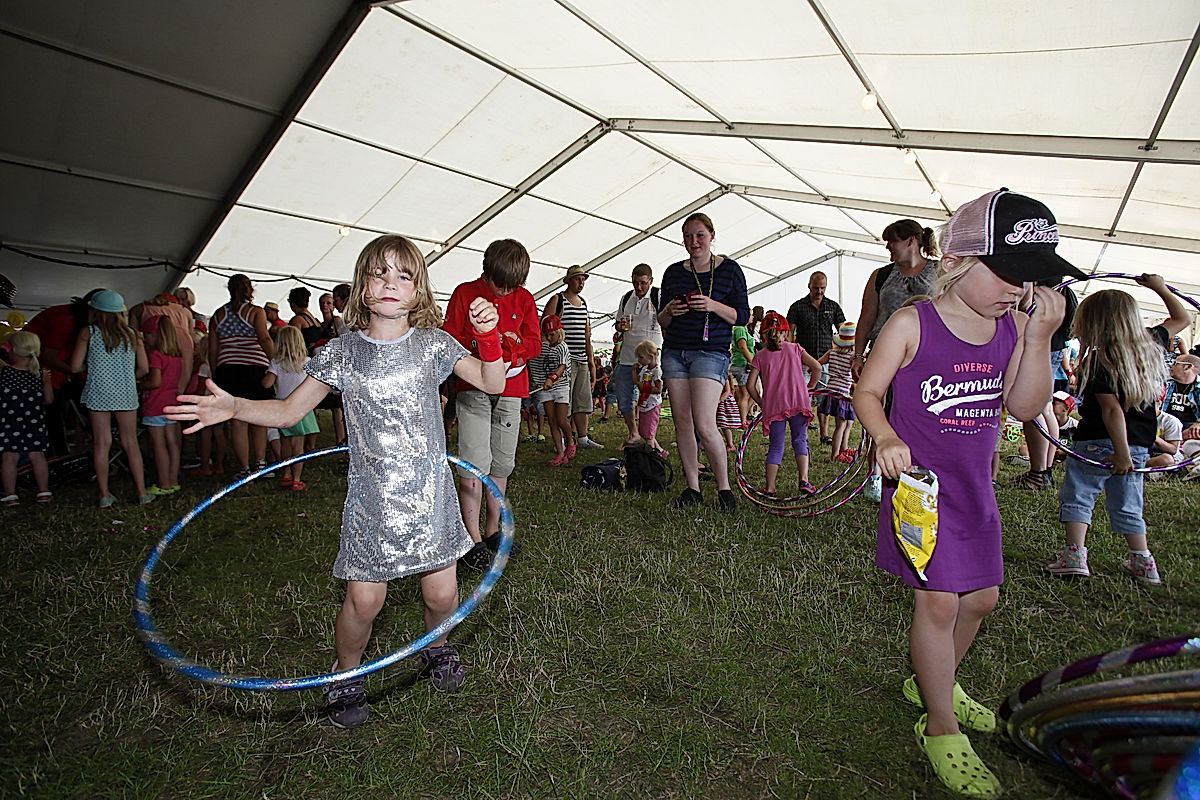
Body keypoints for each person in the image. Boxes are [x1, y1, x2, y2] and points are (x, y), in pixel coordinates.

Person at [166, 234, 504, 729]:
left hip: (430, 497)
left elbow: (493, 382)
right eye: (379, 273)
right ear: (361, 286)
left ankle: (438, 648)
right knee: (365, 600)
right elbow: (286, 411)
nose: (391, 283)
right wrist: (235, 406)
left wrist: (490, 337)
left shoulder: (433, 345)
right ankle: (346, 674)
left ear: (419, 290)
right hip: (374, 501)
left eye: (404, 275)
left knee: (442, 597)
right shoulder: (340, 354)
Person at [854, 188, 1075, 798]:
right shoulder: (911, 322)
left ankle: (935, 679)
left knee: (982, 600)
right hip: (921, 493)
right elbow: (866, 392)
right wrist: (885, 436)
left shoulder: (1011, 330)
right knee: (941, 605)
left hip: (976, 490)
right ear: (956, 261)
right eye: (1009, 274)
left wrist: (1036, 342)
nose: (1020, 291)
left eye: (1034, 280)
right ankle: (941, 723)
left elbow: (1026, 407)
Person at [1048, 275, 1190, 585]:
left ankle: (1075, 555)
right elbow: (1183, 318)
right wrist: (1160, 288)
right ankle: (1142, 561)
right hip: (1138, 445)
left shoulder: (1100, 359)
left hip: (1099, 443)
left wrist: (1120, 454)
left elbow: (1112, 410)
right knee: (1128, 500)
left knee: (1079, 494)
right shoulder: (1151, 344)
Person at [445, 239, 541, 569]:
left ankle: (492, 532)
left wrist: (515, 351)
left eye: (511, 286)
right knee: (473, 462)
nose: (503, 292)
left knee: (502, 463)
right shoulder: (464, 294)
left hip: (512, 386)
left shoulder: (525, 299)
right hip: (473, 386)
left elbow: (534, 342)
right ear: (486, 270)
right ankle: (470, 540)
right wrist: (479, 345)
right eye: (498, 283)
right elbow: (450, 341)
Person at [657, 212, 750, 513]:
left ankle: (724, 488)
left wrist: (711, 305)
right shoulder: (673, 273)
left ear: (712, 235)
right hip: (675, 351)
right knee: (682, 421)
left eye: (699, 235)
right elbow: (661, 320)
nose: (693, 241)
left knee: (705, 422)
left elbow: (742, 317)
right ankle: (692, 487)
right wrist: (670, 310)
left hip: (711, 353)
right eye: (687, 236)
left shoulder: (730, 270)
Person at [70, 290, 153, 507]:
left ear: (94, 310)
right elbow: (144, 369)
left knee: (101, 443)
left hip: (98, 392)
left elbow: (75, 366)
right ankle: (142, 492)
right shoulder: (133, 335)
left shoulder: (88, 332)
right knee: (130, 442)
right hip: (125, 392)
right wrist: (126, 377)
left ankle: (105, 494)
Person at [852, 220, 940, 380]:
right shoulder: (880, 276)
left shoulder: (940, 272)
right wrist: (858, 356)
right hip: (883, 354)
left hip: (928, 355)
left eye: (893, 241)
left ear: (911, 241)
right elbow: (866, 318)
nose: (888, 246)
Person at [748, 313, 822, 496]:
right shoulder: (795, 348)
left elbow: (750, 385)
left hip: (774, 406)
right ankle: (804, 480)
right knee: (800, 440)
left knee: (776, 445)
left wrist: (761, 402)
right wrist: (809, 388)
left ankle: (770, 487)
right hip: (798, 401)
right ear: (786, 333)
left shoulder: (760, 355)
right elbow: (817, 368)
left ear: (762, 336)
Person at [209, 274, 275, 478]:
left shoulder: (218, 315)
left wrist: (215, 373)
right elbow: (263, 338)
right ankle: (261, 464)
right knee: (259, 417)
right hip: (253, 369)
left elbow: (213, 349)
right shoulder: (255, 312)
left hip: (227, 370)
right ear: (250, 289)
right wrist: (276, 361)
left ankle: (244, 468)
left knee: (237, 420)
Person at [544, 265, 600, 451]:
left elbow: (586, 334)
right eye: (578, 279)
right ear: (568, 280)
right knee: (563, 403)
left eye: (583, 279)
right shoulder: (558, 299)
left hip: (582, 360)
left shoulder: (583, 303)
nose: (581, 282)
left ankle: (582, 438)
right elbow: (544, 326)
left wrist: (590, 360)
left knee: (582, 401)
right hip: (564, 361)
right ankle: (561, 441)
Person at [788, 272, 846, 443]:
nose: (819, 291)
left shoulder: (833, 306)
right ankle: (801, 433)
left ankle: (824, 434)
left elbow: (843, 330)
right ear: (809, 286)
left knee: (824, 398)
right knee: (802, 396)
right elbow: (790, 333)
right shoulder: (797, 307)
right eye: (816, 288)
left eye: (822, 288)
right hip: (804, 359)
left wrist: (843, 352)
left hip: (826, 360)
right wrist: (791, 355)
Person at [263, 325, 319, 491]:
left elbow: (267, 384)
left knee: (285, 442)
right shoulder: (307, 362)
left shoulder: (276, 362)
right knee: (298, 445)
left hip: (282, 406)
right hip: (301, 405)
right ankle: (296, 478)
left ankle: (286, 474)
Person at [0, 331, 53, 505]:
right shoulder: (41, 375)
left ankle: (10, 494)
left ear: (12, 350)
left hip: (9, 423)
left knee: (9, 458)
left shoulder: (5, 373)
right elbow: (49, 400)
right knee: (38, 457)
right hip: (34, 423)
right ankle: (44, 491)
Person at [612, 263, 662, 447]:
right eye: (635, 283)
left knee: (650, 396)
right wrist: (620, 326)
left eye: (643, 283)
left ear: (651, 281)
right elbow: (618, 324)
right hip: (627, 356)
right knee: (623, 396)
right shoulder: (626, 298)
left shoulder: (658, 295)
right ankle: (633, 433)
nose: (639, 287)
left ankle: (650, 437)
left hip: (650, 359)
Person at [138, 315, 185, 496]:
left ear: (155, 335)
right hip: (172, 403)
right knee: (172, 443)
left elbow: (155, 382)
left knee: (158, 445)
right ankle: (173, 480)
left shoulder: (155, 355)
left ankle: (163, 483)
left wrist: (140, 384)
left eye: (147, 335)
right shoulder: (176, 356)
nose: (145, 339)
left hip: (155, 405)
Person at [528, 315, 571, 465]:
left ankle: (570, 441)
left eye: (552, 334)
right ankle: (560, 452)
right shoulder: (543, 348)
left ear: (560, 332)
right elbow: (534, 360)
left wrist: (551, 379)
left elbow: (562, 366)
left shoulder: (562, 347)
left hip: (560, 387)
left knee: (561, 420)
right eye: (547, 335)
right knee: (552, 421)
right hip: (545, 388)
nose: (549, 337)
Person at [818, 321, 857, 463]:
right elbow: (856, 374)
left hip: (832, 392)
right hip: (842, 395)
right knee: (841, 425)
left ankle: (844, 448)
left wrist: (814, 370)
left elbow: (817, 364)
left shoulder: (831, 353)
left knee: (848, 422)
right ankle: (835, 455)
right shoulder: (852, 357)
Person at [1162, 354, 1200, 479]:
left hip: (1190, 429)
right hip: (1166, 427)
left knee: (1192, 441)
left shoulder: (1198, 386)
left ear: (1188, 367)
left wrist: (1199, 422)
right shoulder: (1166, 384)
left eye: (1175, 363)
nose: (1171, 366)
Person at [633, 340, 667, 457]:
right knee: (644, 430)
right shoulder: (645, 368)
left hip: (652, 405)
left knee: (648, 433)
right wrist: (634, 371)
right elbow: (636, 381)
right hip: (644, 403)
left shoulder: (656, 371)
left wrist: (644, 388)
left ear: (651, 356)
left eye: (641, 357)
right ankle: (660, 451)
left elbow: (658, 389)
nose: (639, 360)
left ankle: (651, 455)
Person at [730, 305, 759, 430]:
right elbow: (743, 347)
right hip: (743, 365)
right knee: (745, 393)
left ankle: (742, 417)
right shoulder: (740, 329)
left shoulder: (744, 329)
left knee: (754, 392)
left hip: (745, 365)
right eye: (751, 314)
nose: (753, 317)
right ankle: (742, 421)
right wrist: (753, 362)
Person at [716, 370, 742, 453]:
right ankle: (713, 443)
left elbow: (727, 391)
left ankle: (730, 444)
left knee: (724, 426)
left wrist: (719, 400)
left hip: (723, 404)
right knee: (714, 425)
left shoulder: (724, 378)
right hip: (717, 403)